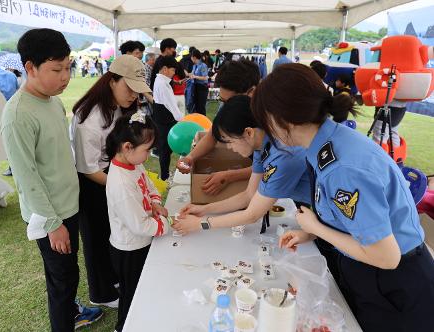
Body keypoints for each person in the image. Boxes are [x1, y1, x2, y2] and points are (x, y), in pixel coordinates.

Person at [252, 63, 434, 331]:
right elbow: (352, 217)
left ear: (284, 120)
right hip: (370, 271)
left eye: (265, 121)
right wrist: (312, 233)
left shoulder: (342, 168)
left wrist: (314, 227)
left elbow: (387, 256)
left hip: (394, 287)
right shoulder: (328, 143)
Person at [0, 28, 102, 332]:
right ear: (29, 67)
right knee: (64, 279)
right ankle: (65, 320)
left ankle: (71, 309)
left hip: (69, 204)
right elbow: (27, 177)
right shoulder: (17, 115)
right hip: (50, 215)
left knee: (64, 273)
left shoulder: (53, 102)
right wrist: (52, 224)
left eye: (68, 67)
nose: (65, 76)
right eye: (56, 69)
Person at [71, 54, 146, 311]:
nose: (133, 97)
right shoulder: (87, 119)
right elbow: (88, 168)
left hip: (113, 173)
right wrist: (123, 183)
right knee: (96, 238)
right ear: (112, 80)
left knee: (113, 231)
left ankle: (113, 279)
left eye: (138, 92)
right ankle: (101, 292)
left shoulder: (119, 106)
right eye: (129, 88)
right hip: (93, 182)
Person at [173, 95, 311, 235]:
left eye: (229, 141)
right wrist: (204, 209)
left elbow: (252, 215)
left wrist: (200, 224)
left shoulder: (283, 155)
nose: (229, 148)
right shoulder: (261, 144)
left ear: (248, 132)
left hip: (326, 212)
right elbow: (248, 196)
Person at [105, 111, 171, 332]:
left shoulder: (134, 164)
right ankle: (123, 326)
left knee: (140, 288)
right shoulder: (120, 184)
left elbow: (149, 187)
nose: (148, 155)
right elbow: (140, 226)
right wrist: (167, 223)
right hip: (129, 248)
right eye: (147, 150)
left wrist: (154, 204)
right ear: (127, 147)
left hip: (140, 242)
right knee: (131, 292)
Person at [177, 59, 260, 196]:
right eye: (222, 101)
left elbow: (270, 166)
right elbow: (212, 136)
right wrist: (190, 158)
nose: (225, 107)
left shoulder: (269, 116)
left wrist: (229, 176)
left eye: (230, 101)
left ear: (251, 92)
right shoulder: (229, 108)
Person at [152, 56, 183, 180]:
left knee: (165, 149)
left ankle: (165, 174)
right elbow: (171, 105)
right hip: (165, 122)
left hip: (161, 120)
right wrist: (182, 120)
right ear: (165, 69)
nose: (174, 73)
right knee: (165, 150)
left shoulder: (160, 81)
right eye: (173, 70)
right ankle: (164, 176)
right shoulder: (163, 84)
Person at [189, 49, 209, 116]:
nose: (191, 58)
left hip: (202, 88)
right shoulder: (194, 66)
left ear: (194, 57)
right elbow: (192, 74)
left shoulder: (203, 65)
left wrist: (195, 77)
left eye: (191, 57)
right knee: (196, 107)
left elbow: (205, 77)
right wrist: (190, 75)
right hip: (195, 87)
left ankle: (203, 123)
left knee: (201, 107)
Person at [181, 46, 196, 112]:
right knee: (189, 96)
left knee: (185, 95)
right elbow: (185, 70)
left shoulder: (184, 57)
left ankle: (188, 108)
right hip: (188, 79)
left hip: (181, 79)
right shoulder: (189, 59)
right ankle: (189, 110)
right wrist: (189, 74)